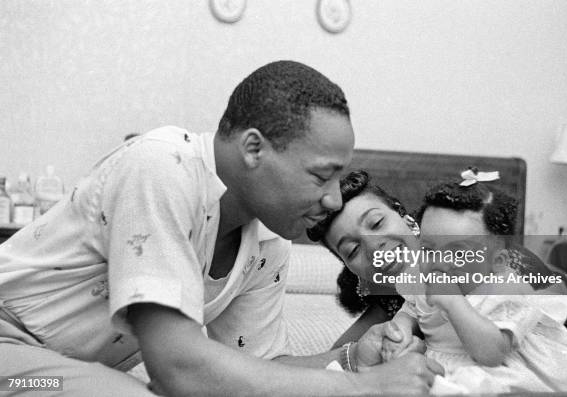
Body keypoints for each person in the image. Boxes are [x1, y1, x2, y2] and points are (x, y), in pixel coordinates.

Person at [0, 61, 441, 396]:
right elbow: (178, 368)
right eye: (320, 175)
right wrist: (364, 389)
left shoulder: (268, 240)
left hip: (67, 374)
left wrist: (351, 358)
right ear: (254, 148)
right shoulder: (161, 167)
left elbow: (261, 368)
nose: (332, 199)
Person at [309, 170, 567, 393]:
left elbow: (549, 296)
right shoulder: (394, 298)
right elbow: (331, 359)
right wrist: (374, 347)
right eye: (353, 249)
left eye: (376, 223)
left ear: (410, 222)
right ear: (350, 267)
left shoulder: (491, 263)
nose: (375, 245)